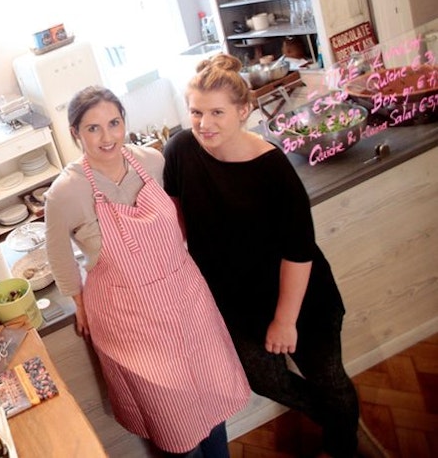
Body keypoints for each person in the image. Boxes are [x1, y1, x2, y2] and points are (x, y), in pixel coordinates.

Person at [162, 54, 383, 458]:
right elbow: (178, 220)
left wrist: (285, 320)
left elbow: (299, 251)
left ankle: (343, 444)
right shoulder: (179, 150)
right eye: (196, 112)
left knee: (329, 379)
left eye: (216, 112)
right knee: (263, 377)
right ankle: (338, 419)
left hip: (301, 297)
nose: (204, 123)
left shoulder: (271, 167)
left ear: (243, 110)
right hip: (235, 302)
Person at [44, 86, 250, 458]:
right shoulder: (65, 193)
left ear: (124, 121)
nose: (107, 137)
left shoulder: (152, 162)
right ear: (75, 133)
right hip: (129, 319)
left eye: (114, 123)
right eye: (93, 128)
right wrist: (79, 303)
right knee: (174, 420)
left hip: (185, 299)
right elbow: (59, 255)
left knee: (211, 402)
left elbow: (180, 216)